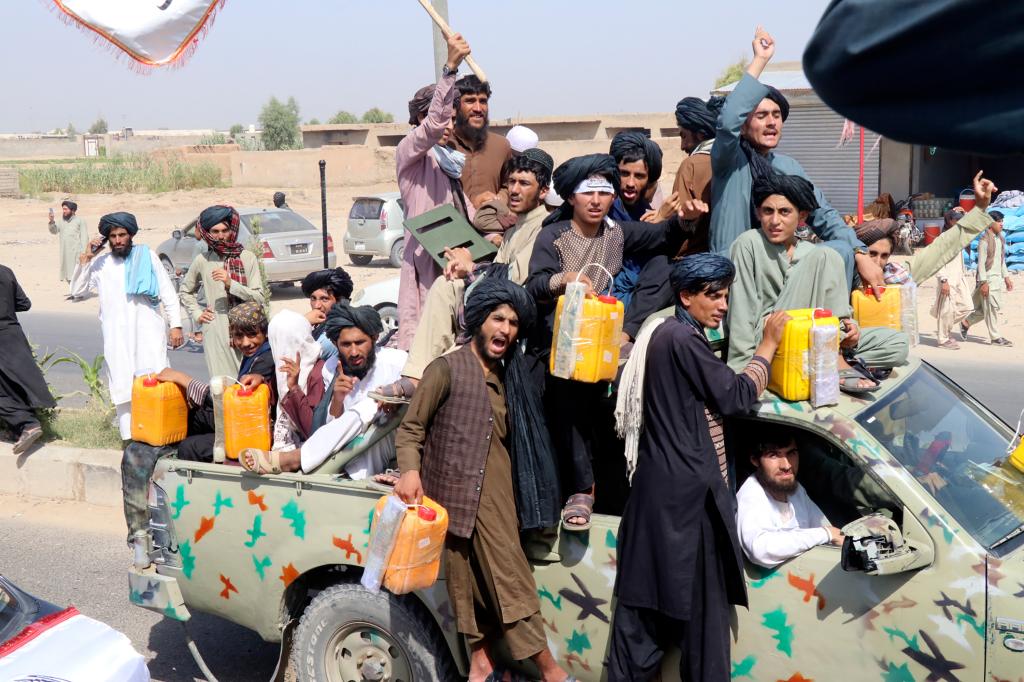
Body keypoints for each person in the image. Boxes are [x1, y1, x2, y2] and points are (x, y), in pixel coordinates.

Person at [608, 253, 789, 682]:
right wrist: (768, 344)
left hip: (661, 505)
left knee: (643, 625)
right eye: (715, 296)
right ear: (686, 296)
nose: (723, 305)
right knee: (700, 630)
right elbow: (736, 395)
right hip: (687, 511)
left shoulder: (672, 334)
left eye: (726, 296)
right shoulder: (681, 339)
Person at [392, 278, 564, 682]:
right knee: (464, 585)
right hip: (450, 496)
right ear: (478, 321)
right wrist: (410, 471)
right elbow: (411, 429)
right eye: (497, 318)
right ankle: (486, 664)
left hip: (496, 497)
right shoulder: (445, 368)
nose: (505, 329)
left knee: (509, 581)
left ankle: (542, 670)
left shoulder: (511, 377)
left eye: (513, 323)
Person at [526, 154, 689, 529]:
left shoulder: (617, 231)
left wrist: (685, 220)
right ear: (571, 198)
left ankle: (625, 489)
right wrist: (563, 279)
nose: (597, 201)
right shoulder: (555, 235)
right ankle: (581, 490)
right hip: (562, 341)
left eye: (604, 193)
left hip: (605, 335)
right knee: (571, 403)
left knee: (664, 266)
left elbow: (664, 236)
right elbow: (535, 285)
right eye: (589, 193)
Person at [372, 148, 554, 403]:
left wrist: (472, 268)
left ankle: (423, 376)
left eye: (524, 183)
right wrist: (466, 269)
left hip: (516, 315)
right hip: (494, 303)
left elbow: (514, 279)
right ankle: (417, 375)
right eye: (511, 182)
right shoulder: (517, 226)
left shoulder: (543, 227)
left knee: (453, 291)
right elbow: (498, 271)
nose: (514, 190)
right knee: (448, 283)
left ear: (543, 191)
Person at [711, 26, 884, 292]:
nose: (771, 123)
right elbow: (728, 122)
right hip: (735, 275)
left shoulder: (788, 167)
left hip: (780, 272)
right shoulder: (730, 161)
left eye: (777, 115)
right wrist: (760, 60)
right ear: (744, 127)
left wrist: (860, 254)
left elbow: (824, 215)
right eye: (761, 116)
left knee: (838, 251)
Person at [727, 174, 908, 391]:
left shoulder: (808, 252)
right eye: (768, 211)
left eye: (784, 212)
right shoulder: (749, 244)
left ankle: (823, 358)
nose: (774, 221)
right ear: (759, 213)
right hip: (769, 338)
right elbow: (741, 313)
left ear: (801, 216)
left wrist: (852, 330)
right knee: (830, 253)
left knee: (898, 344)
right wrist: (745, 373)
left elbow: (832, 307)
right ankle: (835, 360)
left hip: (811, 336)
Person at [240, 303, 407, 479]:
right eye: (346, 344)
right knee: (362, 445)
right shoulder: (331, 367)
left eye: (360, 342)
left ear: (373, 338)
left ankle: (294, 459)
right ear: (335, 343)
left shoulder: (397, 362)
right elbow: (331, 426)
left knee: (371, 405)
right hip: (354, 445)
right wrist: (337, 399)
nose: (354, 351)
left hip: (392, 436)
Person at [70, 212, 183, 439]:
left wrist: (176, 325)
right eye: (113, 236)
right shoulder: (101, 264)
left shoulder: (147, 256)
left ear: (130, 235)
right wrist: (87, 258)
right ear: (107, 239)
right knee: (122, 386)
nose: (118, 240)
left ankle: (156, 434)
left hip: (148, 332)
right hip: (116, 336)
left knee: (155, 379)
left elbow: (167, 292)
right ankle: (129, 439)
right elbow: (77, 291)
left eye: (122, 234)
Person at [396, 33, 472, 351]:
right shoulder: (410, 152)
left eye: (454, 120)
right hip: (425, 265)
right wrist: (450, 68)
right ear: (419, 119)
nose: (449, 126)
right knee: (425, 346)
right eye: (445, 118)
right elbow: (433, 126)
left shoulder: (452, 163)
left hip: (458, 266)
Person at [158, 302, 277, 463]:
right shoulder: (255, 354)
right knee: (194, 417)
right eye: (239, 336)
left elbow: (232, 405)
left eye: (252, 335)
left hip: (252, 433)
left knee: (189, 447)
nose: (246, 342)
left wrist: (182, 379)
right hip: (241, 423)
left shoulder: (266, 359)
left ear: (265, 333)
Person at [858, 171, 998, 285]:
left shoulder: (894, 277)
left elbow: (942, 248)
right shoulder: (847, 277)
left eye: (884, 256)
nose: (877, 262)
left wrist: (980, 208)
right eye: (872, 254)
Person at [179, 205, 266, 379]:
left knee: (250, 383)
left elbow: (259, 297)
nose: (220, 236)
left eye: (225, 230)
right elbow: (185, 291)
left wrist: (230, 283)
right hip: (216, 329)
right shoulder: (202, 260)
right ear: (207, 233)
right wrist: (197, 314)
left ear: (231, 230)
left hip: (248, 330)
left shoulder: (246, 257)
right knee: (222, 385)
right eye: (215, 231)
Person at [735, 429, 843, 568]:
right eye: (773, 455)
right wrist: (825, 534)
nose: (786, 465)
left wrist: (829, 534)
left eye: (791, 453)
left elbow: (822, 526)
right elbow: (760, 550)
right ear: (755, 460)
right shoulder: (751, 495)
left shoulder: (795, 489)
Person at [0, 264, 55, 454]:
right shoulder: (5, 271)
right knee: (12, 385)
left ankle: (28, 424)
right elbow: (24, 303)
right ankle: (17, 430)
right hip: (13, 334)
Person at [663, 96, 725, 255]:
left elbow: (678, 229)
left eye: (684, 136)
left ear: (701, 135)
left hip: (694, 262)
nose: (683, 146)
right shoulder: (736, 160)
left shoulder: (691, 165)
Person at [268, 309, 327, 452]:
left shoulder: (318, 373)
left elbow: (313, 431)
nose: (282, 349)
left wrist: (294, 388)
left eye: (288, 341)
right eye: (277, 342)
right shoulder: (279, 370)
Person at [451, 74, 513, 209]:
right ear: (455, 107)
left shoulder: (501, 146)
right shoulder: (443, 145)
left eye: (483, 101)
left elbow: (509, 185)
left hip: (491, 226)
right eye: (470, 101)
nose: (478, 109)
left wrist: (500, 198)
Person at [963, 210, 1014, 346]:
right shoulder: (984, 241)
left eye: (1002, 221)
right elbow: (980, 265)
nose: (1002, 224)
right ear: (990, 223)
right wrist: (984, 282)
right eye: (999, 221)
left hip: (997, 280)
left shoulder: (1000, 239)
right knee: (991, 308)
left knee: (987, 309)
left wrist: (1006, 277)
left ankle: (966, 322)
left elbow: (1001, 260)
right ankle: (995, 337)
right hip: (988, 280)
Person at [930, 207, 977, 350]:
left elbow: (973, 227)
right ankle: (943, 339)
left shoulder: (960, 237)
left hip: (959, 277)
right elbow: (937, 261)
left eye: (960, 220)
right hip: (947, 278)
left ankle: (946, 327)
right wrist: (943, 280)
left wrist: (965, 213)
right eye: (956, 219)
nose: (959, 222)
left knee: (967, 306)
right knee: (946, 310)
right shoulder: (943, 238)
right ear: (950, 221)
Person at [300, 266, 354, 359]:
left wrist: (303, 322)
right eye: (313, 298)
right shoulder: (318, 323)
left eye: (324, 299)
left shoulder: (332, 337)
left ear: (339, 301)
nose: (317, 305)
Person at [49, 199, 89, 285]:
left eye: (66, 209)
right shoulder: (61, 221)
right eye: (63, 209)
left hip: (76, 252)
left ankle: (77, 292)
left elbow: (84, 237)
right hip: (65, 252)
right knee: (67, 273)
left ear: (73, 210)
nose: (64, 211)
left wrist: (83, 252)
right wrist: (52, 221)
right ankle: (73, 292)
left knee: (76, 273)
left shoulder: (80, 221)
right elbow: (54, 231)